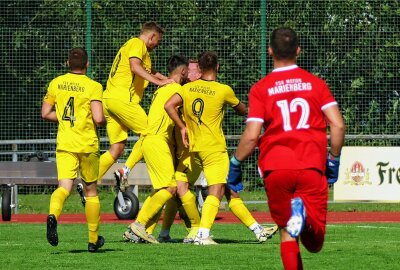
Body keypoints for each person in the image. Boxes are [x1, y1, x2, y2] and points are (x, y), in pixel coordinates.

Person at [227, 27, 345, 269]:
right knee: (314, 243)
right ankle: (304, 219)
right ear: (298, 51)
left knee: (286, 232)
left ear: (269, 50)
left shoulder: (261, 89)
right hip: (311, 165)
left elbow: (251, 136)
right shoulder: (316, 84)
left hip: (276, 168)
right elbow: (338, 125)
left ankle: (297, 217)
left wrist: (235, 163)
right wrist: (334, 158)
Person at [165, 51, 247, 245]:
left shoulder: (188, 89)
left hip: (194, 148)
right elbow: (243, 110)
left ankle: (173, 230)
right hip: (214, 147)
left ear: (199, 69)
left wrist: (182, 126)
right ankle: (202, 234)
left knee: (186, 187)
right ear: (217, 67)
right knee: (216, 190)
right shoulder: (223, 90)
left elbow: (169, 106)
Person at [41, 47, 106, 252]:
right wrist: (104, 120)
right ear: (87, 65)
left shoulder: (56, 83)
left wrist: (64, 119)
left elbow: (45, 113)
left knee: (64, 188)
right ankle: (93, 240)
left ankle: (53, 215)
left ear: (68, 63)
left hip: (65, 143)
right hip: (87, 144)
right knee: (91, 191)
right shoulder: (93, 86)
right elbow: (97, 118)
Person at [99, 21, 174, 189]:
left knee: (117, 147)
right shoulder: (137, 43)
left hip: (110, 100)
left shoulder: (136, 49)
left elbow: (148, 70)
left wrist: (166, 80)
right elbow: (135, 67)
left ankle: (88, 181)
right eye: (158, 41)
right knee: (150, 133)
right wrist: (158, 83)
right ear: (152, 36)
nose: (158, 44)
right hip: (123, 99)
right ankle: (124, 170)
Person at [125, 55, 189, 244]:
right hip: (157, 141)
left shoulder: (161, 88)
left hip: (148, 140)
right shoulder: (178, 89)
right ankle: (138, 225)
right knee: (170, 188)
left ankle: (143, 230)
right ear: (183, 71)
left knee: (161, 190)